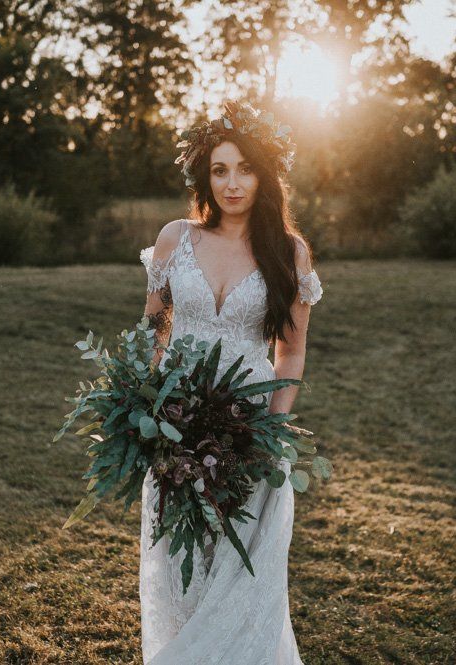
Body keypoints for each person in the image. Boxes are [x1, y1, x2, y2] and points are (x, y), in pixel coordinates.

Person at [138, 100, 324, 665]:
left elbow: (290, 349)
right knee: (181, 563)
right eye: (220, 170)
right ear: (204, 175)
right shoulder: (176, 238)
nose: (232, 183)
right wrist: (144, 402)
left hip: (248, 431)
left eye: (245, 168)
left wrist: (272, 424)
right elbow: (152, 328)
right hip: (175, 426)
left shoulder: (287, 252)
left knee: (240, 570)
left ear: (265, 175)